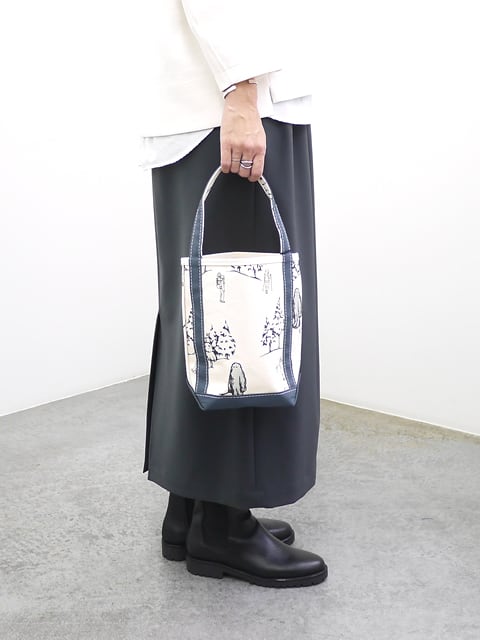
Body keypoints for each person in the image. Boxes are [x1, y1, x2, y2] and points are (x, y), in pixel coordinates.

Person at [139, 0, 327, 588]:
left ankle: (192, 505)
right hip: (232, 103)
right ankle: (225, 528)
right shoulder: (238, 99)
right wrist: (241, 95)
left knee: (206, 309)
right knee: (242, 315)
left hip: (211, 102)